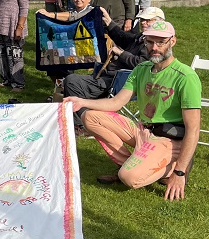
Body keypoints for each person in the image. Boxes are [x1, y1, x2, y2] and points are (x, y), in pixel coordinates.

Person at [65, 21, 201, 201]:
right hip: (142, 130)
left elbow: (193, 129)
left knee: (129, 178)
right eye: (150, 42)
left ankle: (171, 165)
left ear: (172, 42)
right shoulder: (141, 69)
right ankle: (130, 163)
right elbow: (116, 103)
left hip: (167, 138)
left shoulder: (185, 77)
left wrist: (180, 173)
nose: (154, 48)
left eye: (161, 42)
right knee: (89, 117)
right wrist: (81, 101)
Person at [62, 6, 163, 126]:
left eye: (148, 20)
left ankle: (82, 124)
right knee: (73, 81)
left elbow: (143, 64)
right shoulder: (141, 37)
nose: (143, 23)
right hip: (110, 77)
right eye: (142, 20)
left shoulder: (154, 45)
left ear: (160, 22)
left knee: (72, 81)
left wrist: (121, 53)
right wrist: (109, 22)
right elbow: (123, 38)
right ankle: (87, 119)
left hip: (119, 82)